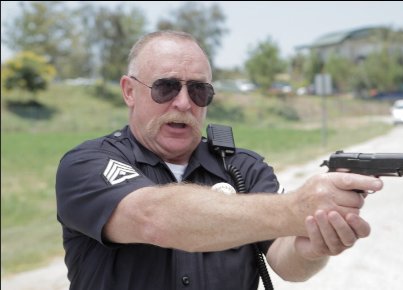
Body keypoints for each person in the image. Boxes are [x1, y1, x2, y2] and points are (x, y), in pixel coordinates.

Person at [55, 30, 383, 290]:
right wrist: (295, 209)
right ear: (129, 91)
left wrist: (314, 244)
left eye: (199, 91)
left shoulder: (244, 168)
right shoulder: (87, 164)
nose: (183, 103)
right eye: (166, 88)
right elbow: (154, 218)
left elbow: (287, 262)